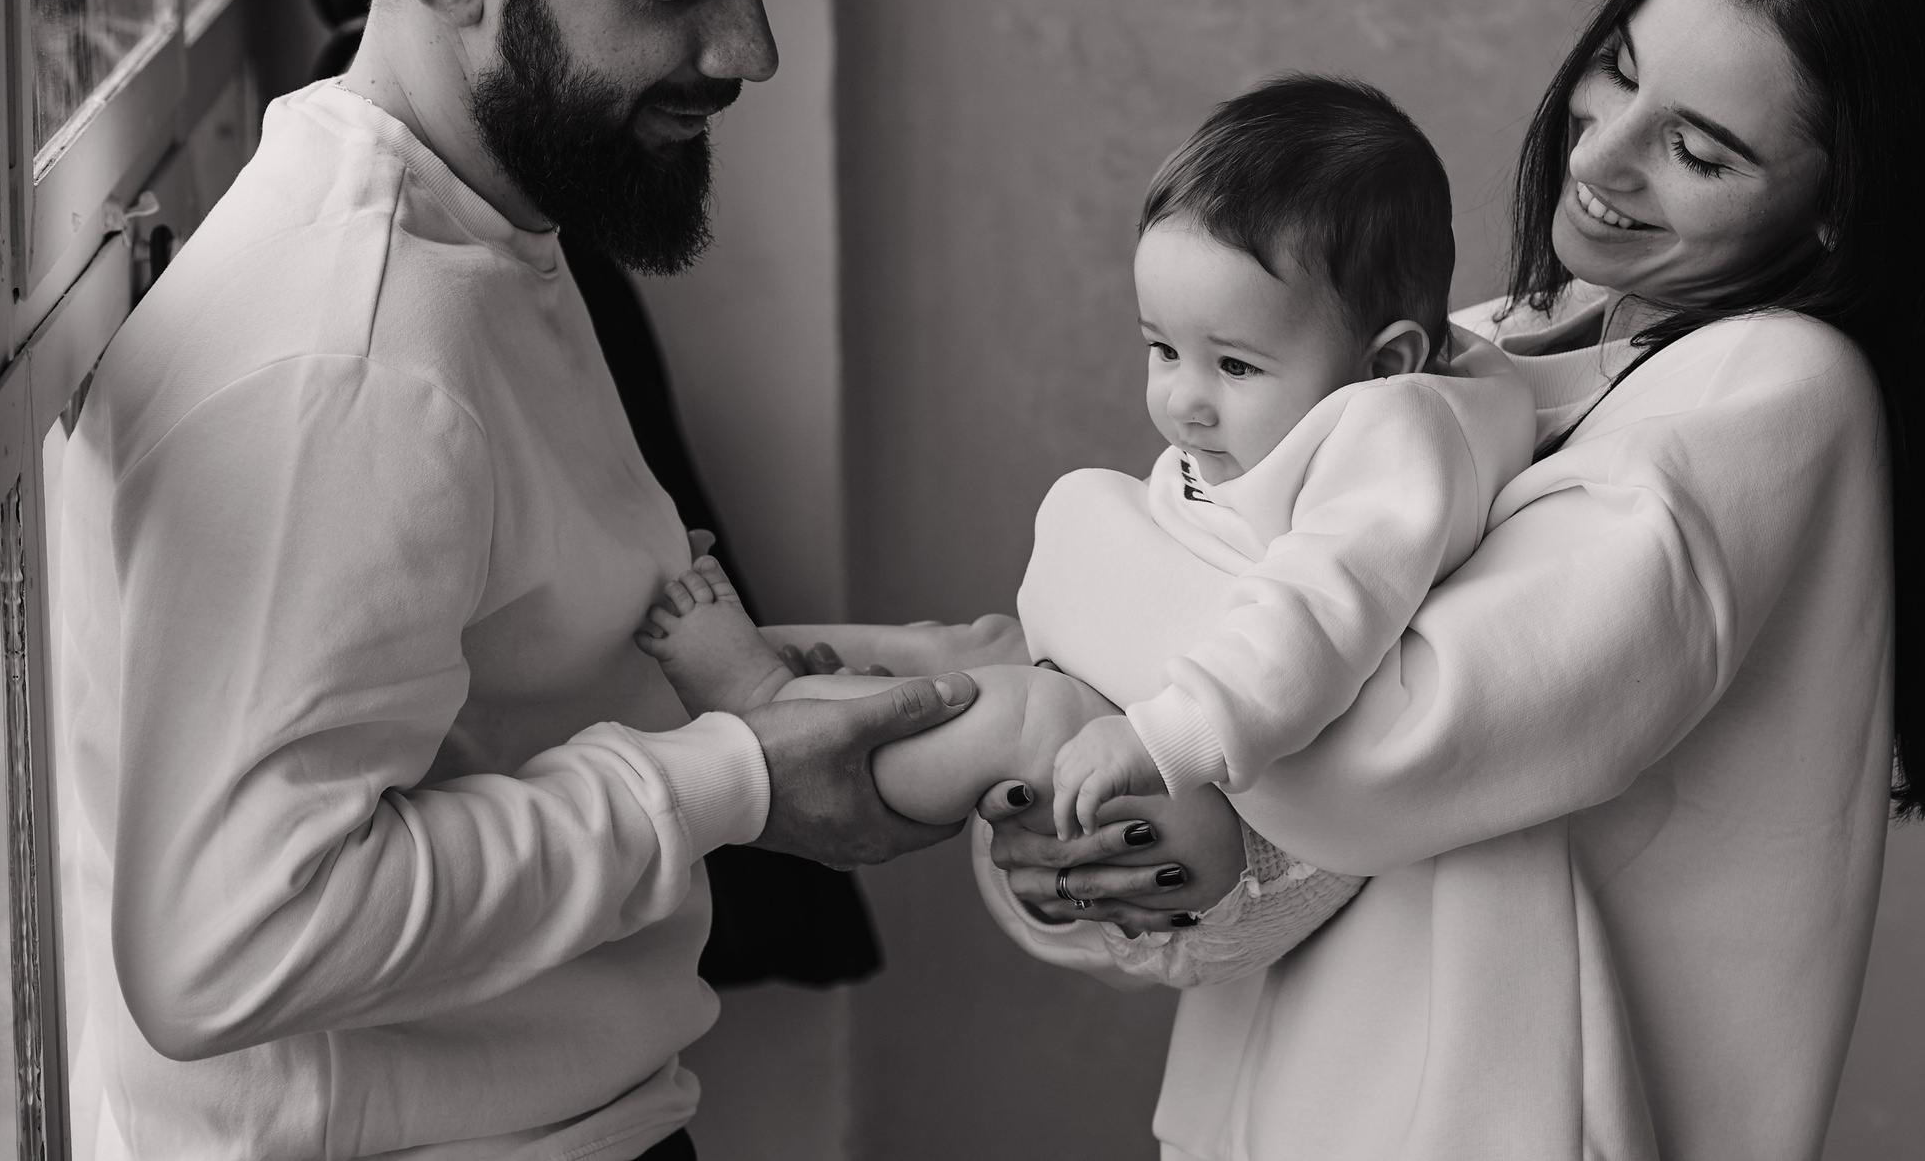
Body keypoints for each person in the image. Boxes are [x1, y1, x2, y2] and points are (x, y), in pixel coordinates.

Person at [53, 0, 988, 1161]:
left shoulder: (482, 225)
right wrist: (736, 777)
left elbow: (502, 673)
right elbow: (226, 941)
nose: (749, 48)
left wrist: (898, 679)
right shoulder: (351, 366)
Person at [977, 0, 1925, 1161]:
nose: (1597, 152)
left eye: (1697, 147)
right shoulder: (1483, 345)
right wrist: (1108, 854)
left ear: (1847, 205)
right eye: (1618, 67)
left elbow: (1367, 760)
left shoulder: (1773, 390)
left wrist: (1078, 554)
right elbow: (1316, 838)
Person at [636, 76, 1535, 979]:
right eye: (1163, 349)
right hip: (1201, 745)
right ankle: (781, 675)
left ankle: (767, 711)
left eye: (1234, 365)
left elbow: (1316, 616)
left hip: (1259, 826)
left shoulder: (1397, 437)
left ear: (1386, 362)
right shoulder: (1340, 403)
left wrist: (1160, 739)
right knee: (983, 648)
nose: (1183, 401)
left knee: (1033, 712)